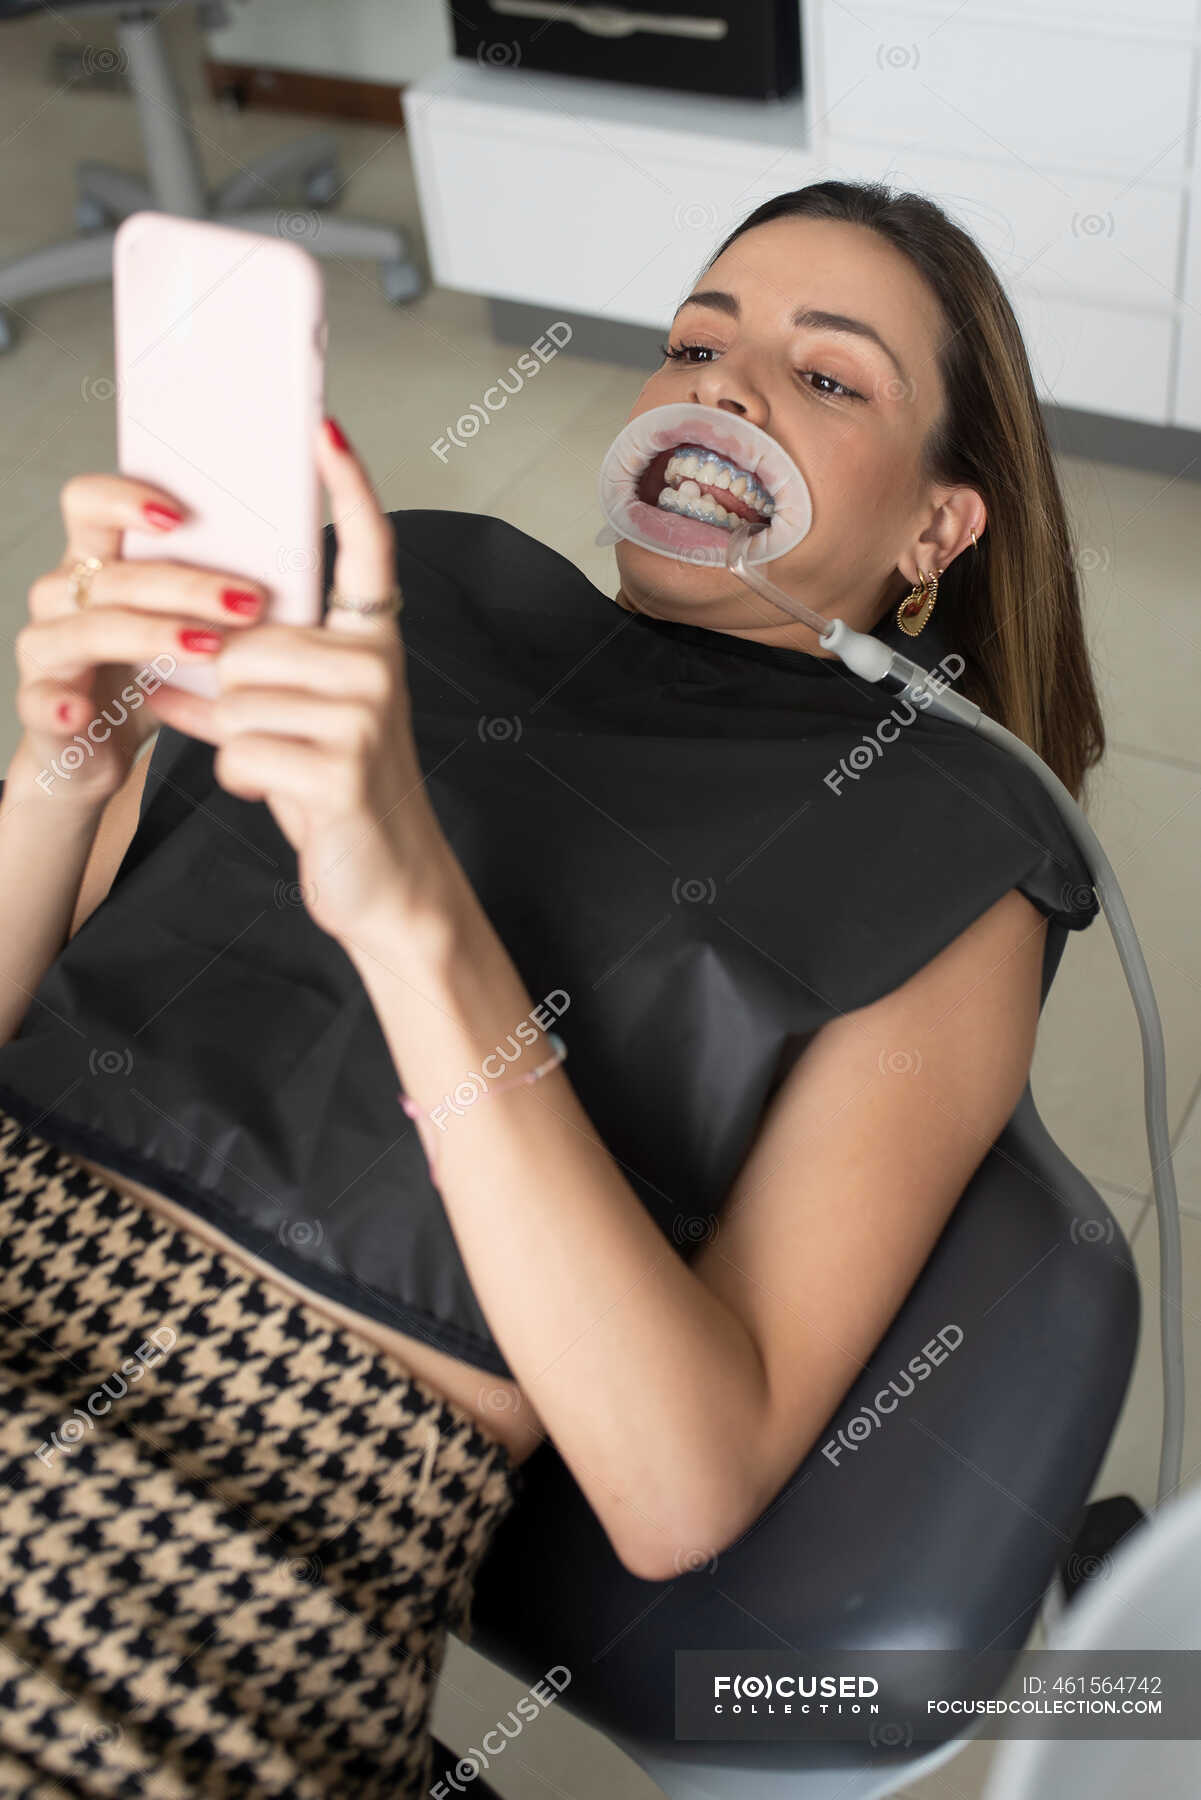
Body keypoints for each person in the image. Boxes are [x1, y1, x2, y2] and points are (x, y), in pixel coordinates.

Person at [0, 179, 1104, 1797]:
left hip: (208, 1547)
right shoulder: (407, 579)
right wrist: (60, 779)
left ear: (935, 531)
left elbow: (678, 1486)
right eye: (695, 344)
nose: (723, 389)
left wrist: (412, 914)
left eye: (822, 375)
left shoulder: (949, 845)